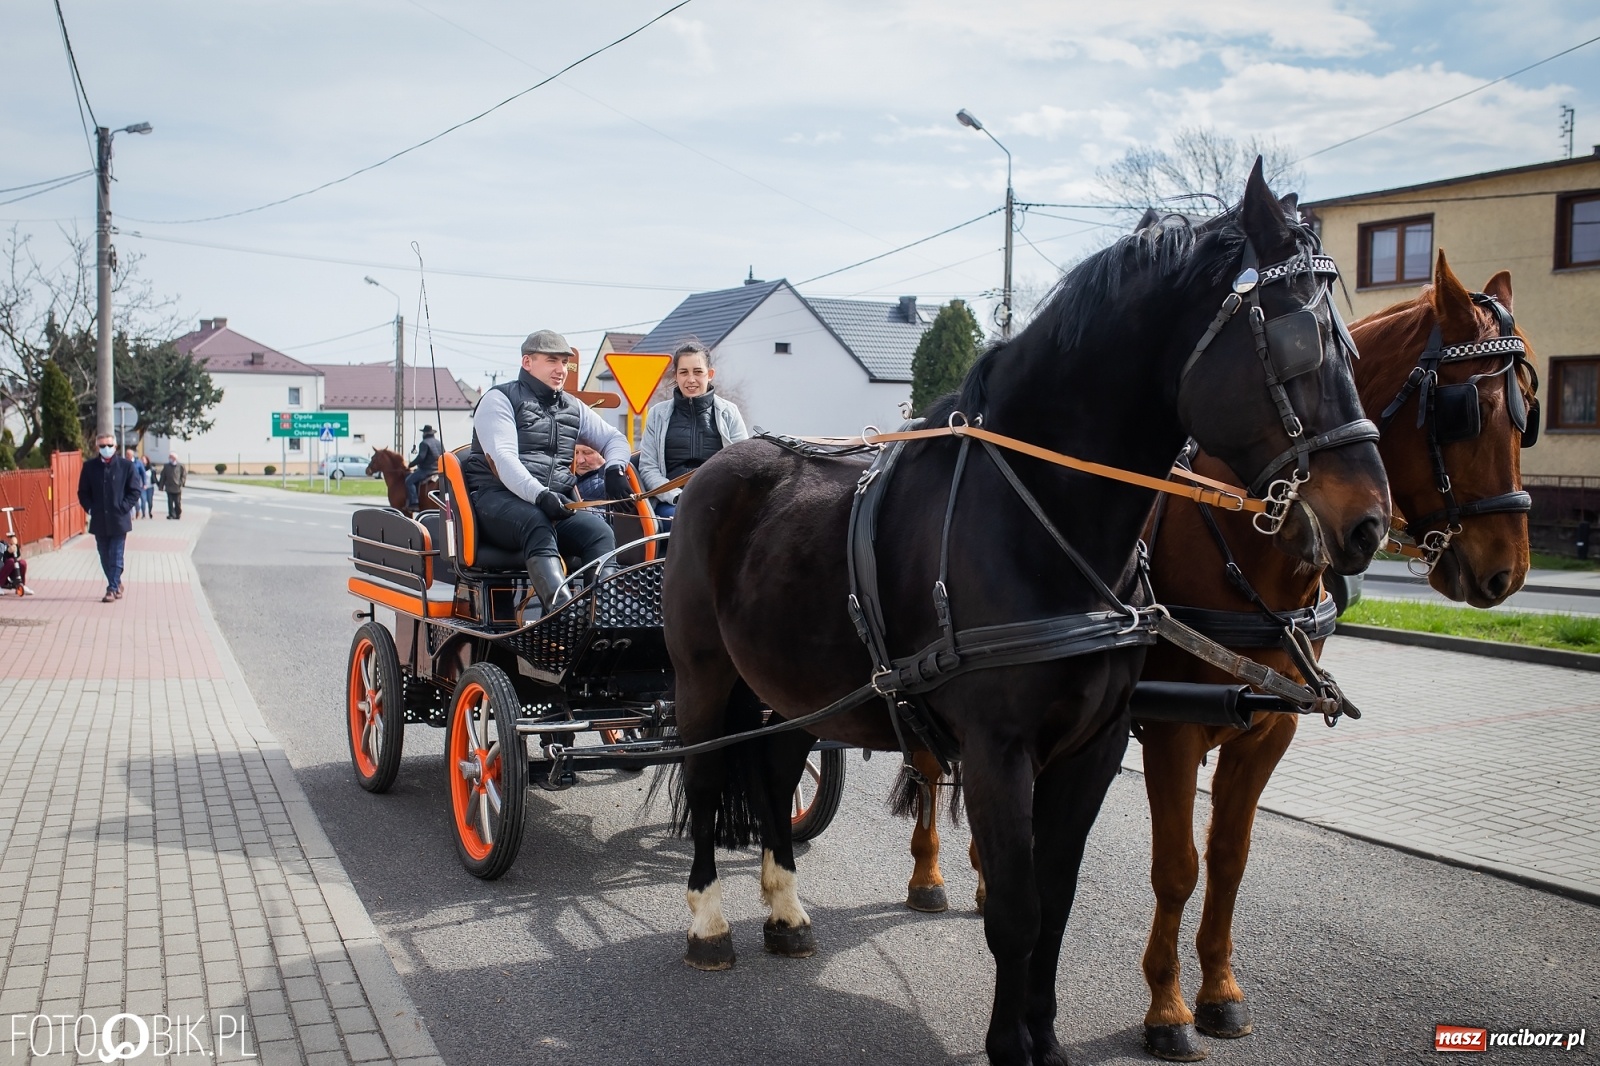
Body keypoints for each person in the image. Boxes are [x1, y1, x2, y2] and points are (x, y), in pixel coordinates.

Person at [461, 329, 633, 616]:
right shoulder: (499, 399)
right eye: (552, 360)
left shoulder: (573, 407)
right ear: (527, 363)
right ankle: (562, 615)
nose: (561, 369)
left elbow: (615, 439)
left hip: (553, 504)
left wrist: (615, 468)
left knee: (600, 532)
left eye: (565, 362)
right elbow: (504, 460)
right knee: (536, 522)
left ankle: (602, 616)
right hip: (497, 501)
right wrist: (541, 496)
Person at [638, 341, 749, 522]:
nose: (691, 379)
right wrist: (675, 496)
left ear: (710, 374)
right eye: (684, 372)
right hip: (671, 504)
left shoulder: (730, 412)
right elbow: (648, 468)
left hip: (719, 501)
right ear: (675, 375)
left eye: (698, 372)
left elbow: (743, 463)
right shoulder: (657, 414)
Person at [77, 433, 142, 603]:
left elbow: (135, 490)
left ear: (115, 447)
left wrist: (124, 507)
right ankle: (116, 582)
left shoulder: (126, 466)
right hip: (99, 520)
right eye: (102, 446)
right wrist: (90, 508)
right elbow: (83, 493)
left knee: (116, 554)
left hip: (119, 520)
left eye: (109, 445)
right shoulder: (90, 467)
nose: (106, 449)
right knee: (104, 555)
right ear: (97, 447)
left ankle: (112, 589)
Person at [405, 424, 443, 510]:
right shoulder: (439, 443)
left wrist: (411, 464)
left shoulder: (424, 443)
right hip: (438, 470)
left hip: (427, 470)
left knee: (409, 481)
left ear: (425, 433)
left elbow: (421, 457)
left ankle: (414, 502)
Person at [161, 452, 187, 519]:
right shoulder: (166, 466)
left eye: (171, 457)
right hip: (169, 487)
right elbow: (163, 476)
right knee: (170, 502)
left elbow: (183, 475)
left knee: (177, 502)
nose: (169, 458)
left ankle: (178, 513)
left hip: (177, 487)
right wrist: (161, 486)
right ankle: (171, 514)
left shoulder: (180, 466)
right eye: (169, 457)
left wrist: (181, 483)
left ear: (175, 458)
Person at [125, 447, 150, 518]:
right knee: (128, 498)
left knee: (135, 498)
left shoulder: (138, 463)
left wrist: (144, 483)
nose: (127, 456)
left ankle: (138, 510)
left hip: (136, 484)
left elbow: (143, 473)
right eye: (126, 454)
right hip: (126, 484)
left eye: (128, 455)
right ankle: (130, 515)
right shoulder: (124, 462)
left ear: (132, 455)